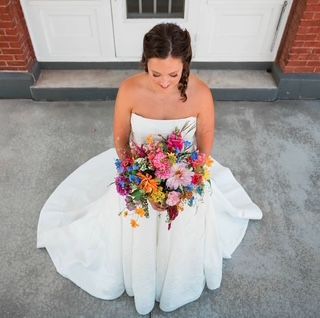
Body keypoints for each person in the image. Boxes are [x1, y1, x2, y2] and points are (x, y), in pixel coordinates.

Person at [37, 23, 263, 315]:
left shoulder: (201, 93)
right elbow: (120, 136)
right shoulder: (130, 90)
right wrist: (137, 179)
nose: (165, 82)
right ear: (145, 64)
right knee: (131, 214)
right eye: (156, 74)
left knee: (189, 213)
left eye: (173, 74)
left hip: (183, 175)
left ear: (186, 65)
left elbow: (206, 140)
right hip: (138, 173)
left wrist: (188, 182)